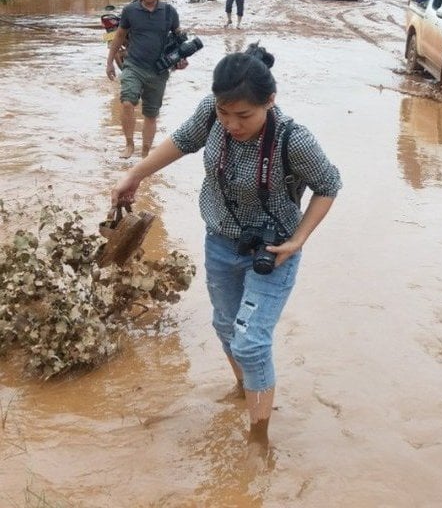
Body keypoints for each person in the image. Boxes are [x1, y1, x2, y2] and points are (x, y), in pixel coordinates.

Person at [110, 43, 342, 457]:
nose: (231, 124)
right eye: (223, 113)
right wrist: (135, 174)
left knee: (251, 342)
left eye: (244, 116)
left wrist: (299, 240)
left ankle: (258, 438)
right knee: (224, 329)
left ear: (270, 102)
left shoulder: (294, 139)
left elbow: (328, 186)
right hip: (220, 242)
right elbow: (181, 141)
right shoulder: (211, 114)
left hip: (274, 251)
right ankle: (243, 389)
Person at [106, 0, 187, 159]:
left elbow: (178, 39)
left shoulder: (169, 12)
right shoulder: (130, 11)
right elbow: (118, 36)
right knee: (127, 102)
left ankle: (145, 154)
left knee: (151, 114)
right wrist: (110, 62)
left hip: (159, 70)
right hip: (134, 65)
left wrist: (181, 59)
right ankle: (129, 144)